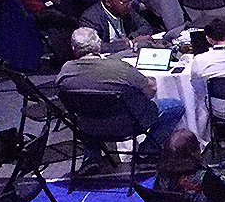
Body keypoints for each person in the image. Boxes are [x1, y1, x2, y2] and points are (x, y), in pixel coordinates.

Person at [56, 27, 184, 157]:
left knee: (87, 112)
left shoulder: (64, 73)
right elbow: (151, 90)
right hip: (126, 125)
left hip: (88, 128)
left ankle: (91, 158)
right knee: (176, 106)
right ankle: (148, 149)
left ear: (73, 49)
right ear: (98, 45)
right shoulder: (119, 68)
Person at [82, 0, 157, 52]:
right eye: (124, 2)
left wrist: (132, 37)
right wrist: (129, 44)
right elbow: (93, 47)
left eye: (129, 1)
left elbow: (146, 26)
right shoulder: (90, 18)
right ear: (108, 2)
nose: (129, 5)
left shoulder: (126, 10)